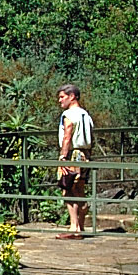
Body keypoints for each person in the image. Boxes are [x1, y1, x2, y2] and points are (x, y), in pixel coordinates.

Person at [56, 84, 94, 238]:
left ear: (72, 97)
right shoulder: (86, 115)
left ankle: (74, 227)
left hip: (73, 154)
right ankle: (81, 226)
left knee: (68, 189)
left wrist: (63, 157)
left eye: (62, 97)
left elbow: (67, 135)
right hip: (85, 154)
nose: (60, 101)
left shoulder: (69, 115)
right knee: (80, 189)